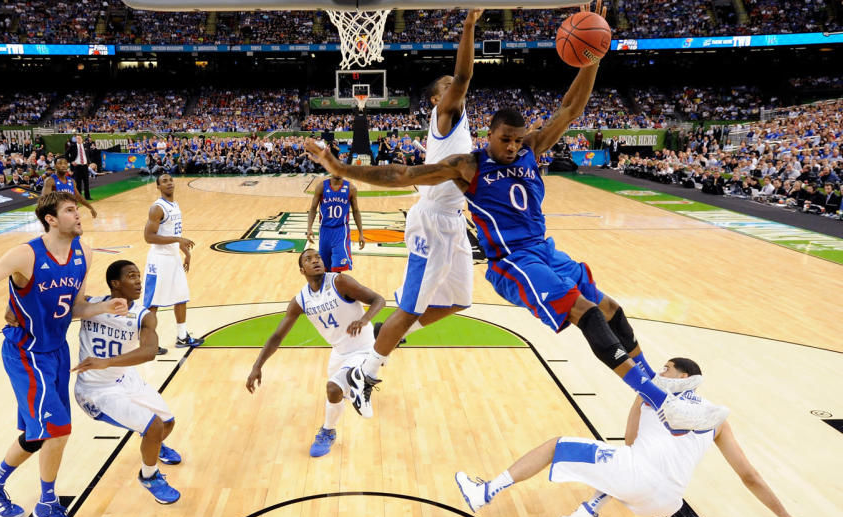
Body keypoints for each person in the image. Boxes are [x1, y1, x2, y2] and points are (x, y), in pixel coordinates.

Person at [304, 1, 727, 432]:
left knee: (610, 308)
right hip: (508, 258)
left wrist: (594, 58)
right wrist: (340, 168)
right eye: (506, 140)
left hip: (540, 249)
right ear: (490, 135)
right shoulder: (466, 158)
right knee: (584, 313)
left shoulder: (527, 150)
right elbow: (404, 173)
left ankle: (655, 381)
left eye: (517, 141)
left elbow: (570, 110)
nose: (512, 147)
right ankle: (659, 401)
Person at [314, 9, 484, 418]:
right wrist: (468, 26)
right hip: (431, 223)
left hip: (452, 221)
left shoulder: (458, 122)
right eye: (445, 87)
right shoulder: (444, 115)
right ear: (435, 100)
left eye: (452, 86)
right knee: (409, 306)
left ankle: (382, 335)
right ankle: (364, 373)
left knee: (460, 301)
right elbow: (462, 78)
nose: (454, 87)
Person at [455, 358, 830, 517]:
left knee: (557, 445)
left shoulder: (656, 397)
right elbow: (749, 476)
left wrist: (638, 401)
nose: (660, 373)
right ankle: (587, 511)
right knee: (623, 464)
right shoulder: (717, 419)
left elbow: (629, 441)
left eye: (666, 369)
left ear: (684, 377)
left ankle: (485, 491)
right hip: (667, 504)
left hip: (638, 478)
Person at [0, 191, 127, 517]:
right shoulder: (26, 254)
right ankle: (48, 504)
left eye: (77, 210)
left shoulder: (85, 253)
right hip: (26, 352)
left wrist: (105, 306)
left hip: (57, 351)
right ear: (50, 219)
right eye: (69, 210)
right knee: (58, 430)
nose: (78, 215)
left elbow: (76, 308)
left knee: (38, 434)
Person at [246, 248, 385, 457]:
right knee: (335, 395)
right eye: (308, 259)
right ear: (302, 270)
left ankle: (328, 431)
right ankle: (380, 349)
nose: (315, 261)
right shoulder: (301, 300)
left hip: (363, 348)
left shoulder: (340, 282)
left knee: (332, 388)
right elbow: (277, 337)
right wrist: (257, 365)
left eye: (318, 257)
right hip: (339, 352)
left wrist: (364, 320)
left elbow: (378, 300)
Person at [72, 260, 182, 505]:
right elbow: (53, 307)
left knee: (167, 423)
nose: (139, 281)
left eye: (139, 276)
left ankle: (154, 447)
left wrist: (107, 362)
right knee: (153, 427)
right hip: (95, 391)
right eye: (132, 276)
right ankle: (150, 477)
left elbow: (150, 351)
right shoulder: (90, 305)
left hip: (124, 377)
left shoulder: (143, 316)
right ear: (115, 283)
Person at [143, 173, 200, 353]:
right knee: (153, 303)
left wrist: (185, 252)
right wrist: (178, 240)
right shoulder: (157, 208)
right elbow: (148, 237)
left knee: (181, 297)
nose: (169, 183)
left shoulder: (174, 205)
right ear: (158, 187)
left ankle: (182, 337)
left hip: (173, 258)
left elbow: (174, 233)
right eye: (164, 181)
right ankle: (148, 344)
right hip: (159, 261)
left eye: (170, 180)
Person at [305, 174, 364, 272]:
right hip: (325, 230)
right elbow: (313, 209)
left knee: (337, 268)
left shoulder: (351, 188)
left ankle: (336, 286)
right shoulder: (321, 187)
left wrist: (361, 233)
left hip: (341, 231)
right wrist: (309, 228)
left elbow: (356, 211)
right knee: (324, 268)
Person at [67, 134, 92, 200]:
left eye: (79, 138)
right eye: (77, 138)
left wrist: (88, 162)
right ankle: (79, 197)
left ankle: (87, 196)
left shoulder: (85, 146)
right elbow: (66, 154)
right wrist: (71, 161)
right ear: (75, 139)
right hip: (77, 166)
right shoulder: (73, 146)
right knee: (78, 183)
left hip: (85, 166)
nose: (78, 139)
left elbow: (87, 154)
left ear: (82, 139)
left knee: (86, 182)